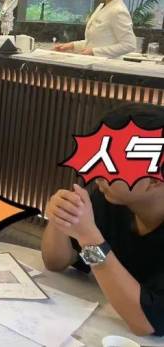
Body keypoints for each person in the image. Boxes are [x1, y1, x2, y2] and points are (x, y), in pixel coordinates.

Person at [41, 105, 164, 337]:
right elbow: (56, 262)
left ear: (155, 180)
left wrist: (89, 238)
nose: (97, 173)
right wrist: (62, 219)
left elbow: (147, 323)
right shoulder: (112, 198)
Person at [54, 0, 137, 58]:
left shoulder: (118, 11)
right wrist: (72, 45)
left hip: (107, 65)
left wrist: (94, 51)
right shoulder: (102, 7)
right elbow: (95, 42)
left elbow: (129, 45)